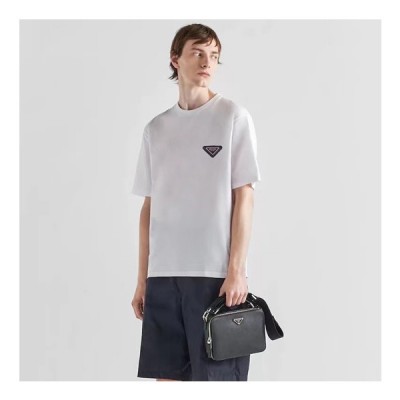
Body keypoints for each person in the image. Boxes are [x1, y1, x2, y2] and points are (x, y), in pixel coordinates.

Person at [130, 23, 261, 381]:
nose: (207, 63)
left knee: (217, 381)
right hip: (163, 277)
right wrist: (143, 279)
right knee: (168, 380)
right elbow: (149, 209)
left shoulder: (232, 117)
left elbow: (245, 197)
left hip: (213, 277)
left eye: (214, 56)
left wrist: (237, 270)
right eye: (198, 53)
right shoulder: (156, 129)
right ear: (175, 59)